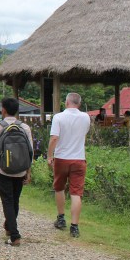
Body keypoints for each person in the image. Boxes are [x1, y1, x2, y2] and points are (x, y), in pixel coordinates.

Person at [0, 97, 33, 246]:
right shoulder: (25, 128)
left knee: (7, 201)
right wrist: (28, 171)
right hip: (20, 170)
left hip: (3, 169)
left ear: (3, 110)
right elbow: (30, 151)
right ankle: (9, 227)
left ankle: (14, 236)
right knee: (15, 200)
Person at [47, 92, 91, 238]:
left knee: (59, 188)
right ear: (78, 103)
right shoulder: (86, 117)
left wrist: (49, 156)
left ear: (66, 103)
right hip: (79, 158)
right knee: (76, 193)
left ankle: (61, 218)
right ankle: (74, 226)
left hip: (61, 157)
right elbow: (83, 135)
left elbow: (54, 138)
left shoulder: (58, 117)